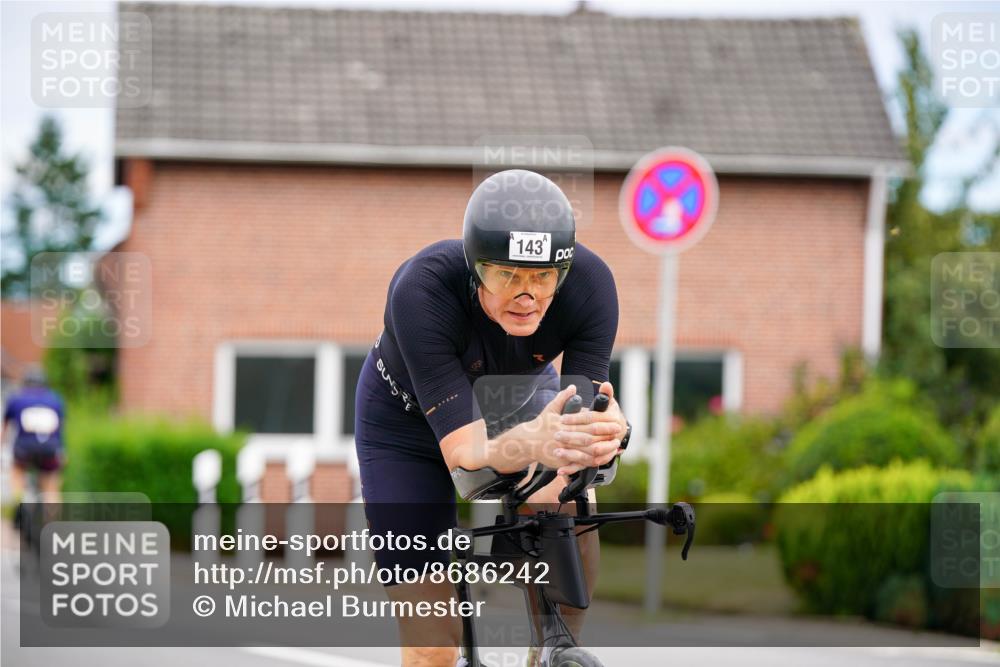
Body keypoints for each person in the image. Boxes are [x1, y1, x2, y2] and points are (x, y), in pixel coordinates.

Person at [354, 170, 629, 667]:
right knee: (432, 648)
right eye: (507, 276)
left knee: (569, 493)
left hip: (517, 400)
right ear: (474, 266)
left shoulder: (591, 286)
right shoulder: (423, 289)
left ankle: (550, 649)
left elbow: (581, 413)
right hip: (406, 424)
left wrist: (606, 433)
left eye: (542, 278)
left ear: (562, 272)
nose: (527, 298)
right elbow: (464, 457)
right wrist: (538, 441)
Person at [3, 366, 66, 504]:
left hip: (23, 448)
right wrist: (63, 451)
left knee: (17, 474)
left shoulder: (16, 398)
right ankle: (53, 518)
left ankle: (19, 504)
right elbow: (60, 428)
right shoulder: (56, 399)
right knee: (51, 486)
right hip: (50, 448)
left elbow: (5, 426)